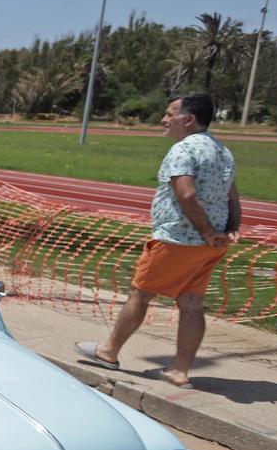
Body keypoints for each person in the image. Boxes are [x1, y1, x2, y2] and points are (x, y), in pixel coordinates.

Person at [76, 93, 241, 389]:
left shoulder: (183, 150)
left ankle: (108, 351)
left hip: (177, 239)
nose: (164, 120)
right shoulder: (222, 151)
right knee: (191, 303)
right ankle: (178, 371)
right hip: (210, 246)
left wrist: (206, 231)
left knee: (140, 294)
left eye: (169, 115)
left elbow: (186, 194)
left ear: (189, 119)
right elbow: (233, 196)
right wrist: (230, 229)